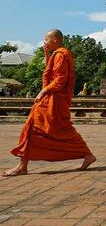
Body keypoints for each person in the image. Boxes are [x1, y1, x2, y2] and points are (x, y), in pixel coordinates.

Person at [3, 29, 96, 176]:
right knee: (54, 129)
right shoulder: (56, 55)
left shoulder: (61, 54)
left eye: (46, 40)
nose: (44, 42)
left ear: (55, 40)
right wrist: (46, 54)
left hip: (54, 99)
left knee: (36, 127)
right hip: (53, 99)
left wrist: (43, 91)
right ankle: (87, 155)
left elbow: (60, 79)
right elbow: (50, 71)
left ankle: (23, 166)